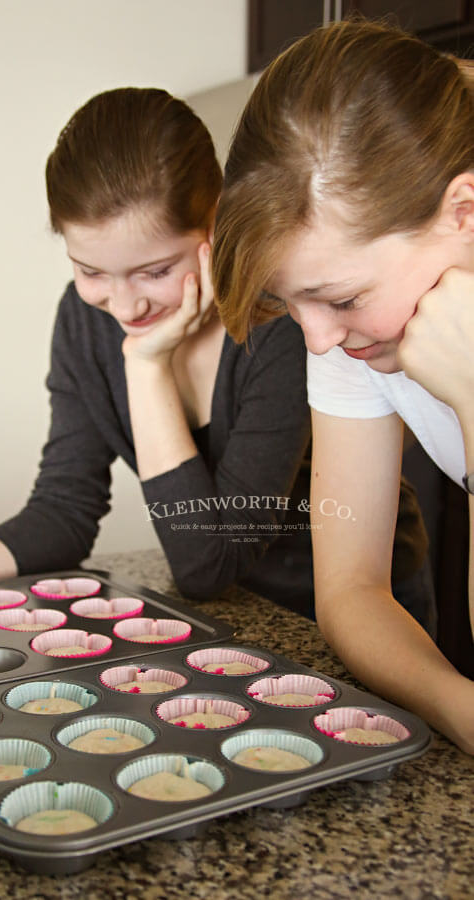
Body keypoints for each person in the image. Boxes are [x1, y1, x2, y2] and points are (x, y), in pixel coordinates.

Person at [0, 88, 427, 623]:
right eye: (91, 271)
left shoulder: (279, 320)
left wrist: (147, 367)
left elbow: (209, 562)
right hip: (229, 618)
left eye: (155, 271)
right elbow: (63, 510)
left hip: (362, 609)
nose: (124, 305)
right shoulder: (85, 321)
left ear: (215, 221)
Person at [212, 20, 474, 753]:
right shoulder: (347, 329)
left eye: (342, 298)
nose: (318, 338)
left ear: (463, 211)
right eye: (291, 304)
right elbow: (351, 591)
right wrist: (454, 706)